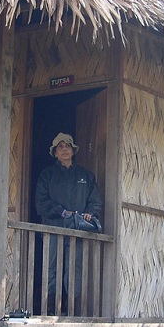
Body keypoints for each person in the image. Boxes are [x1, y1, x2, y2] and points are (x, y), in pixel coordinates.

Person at [35, 132, 103, 315]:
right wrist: (61, 211)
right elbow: (40, 203)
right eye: (60, 147)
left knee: (74, 270)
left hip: (77, 231)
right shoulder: (47, 175)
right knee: (51, 269)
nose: (64, 149)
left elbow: (95, 200)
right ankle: (51, 310)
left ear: (73, 150)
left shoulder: (86, 176)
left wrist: (90, 213)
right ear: (55, 153)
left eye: (67, 146)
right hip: (53, 229)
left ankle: (70, 309)